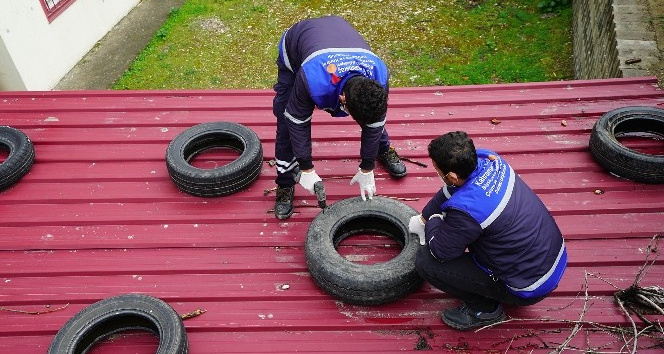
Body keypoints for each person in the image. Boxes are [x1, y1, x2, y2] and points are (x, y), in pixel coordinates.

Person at [408, 131, 567, 330]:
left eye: (437, 169)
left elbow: (441, 251)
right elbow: (450, 191)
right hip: (550, 259)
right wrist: (423, 217)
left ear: (451, 176)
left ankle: (485, 310)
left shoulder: (467, 211)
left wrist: (433, 221)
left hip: (529, 285)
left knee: (426, 262)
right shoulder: (489, 160)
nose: (436, 172)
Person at [272, 15, 407, 220]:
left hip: (338, 36)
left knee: (369, 112)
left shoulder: (379, 73)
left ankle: (383, 149)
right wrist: (306, 168)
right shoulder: (312, 78)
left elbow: (375, 120)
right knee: (285, 117)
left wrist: (367, 166)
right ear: (342, 98)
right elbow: (296, 121)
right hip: (297, 45)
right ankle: (284, 184)